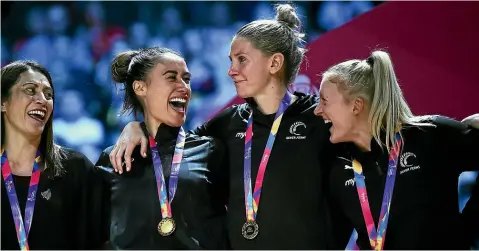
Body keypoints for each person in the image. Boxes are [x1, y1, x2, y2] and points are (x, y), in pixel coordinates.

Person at [106, 3, 350, 250]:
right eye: (231, 61)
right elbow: (175, 146)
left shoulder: (322, 118)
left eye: (242, 60)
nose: (231, 71)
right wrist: (136, 127)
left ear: (275, 63)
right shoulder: (228, 122)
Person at [313, 50, 479, 249]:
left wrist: (467, 228)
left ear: (356, 106)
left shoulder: (429, 135)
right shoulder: (339, 170)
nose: (318, 110)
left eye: (324, 101)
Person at [93, 47, 229, 249]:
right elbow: (97, 235)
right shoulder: (114, 158)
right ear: (140, 88)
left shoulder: (209, 150)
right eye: (171, 78)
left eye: (187, 79)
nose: (184, 87)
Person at [1, 60, 104, 249]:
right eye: (30, 90)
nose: (42, 99)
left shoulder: (75, 167)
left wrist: (137, 128)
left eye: (48, 94)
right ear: (3, 103)